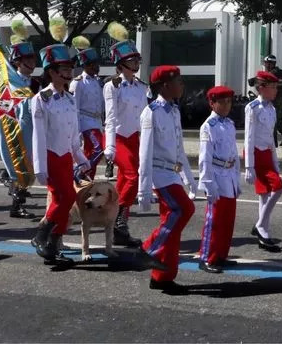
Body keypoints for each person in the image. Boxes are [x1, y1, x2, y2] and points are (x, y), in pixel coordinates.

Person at [138, 65, 197, 295]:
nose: (181, 85)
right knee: (183, 209)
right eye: (178, 81)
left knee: (173, 225)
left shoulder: (174, 111)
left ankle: (162, 276)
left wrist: (189, 179)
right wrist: (143, 190)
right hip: (159, 175)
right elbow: (144, 153)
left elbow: (180, 149)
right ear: (164, 86)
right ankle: (148, 248)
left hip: (172, 173)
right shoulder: (151, 112)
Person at [30, 44, 91, 264]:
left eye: (70, 68)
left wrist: (80, 157)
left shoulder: (70, 99)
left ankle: (51, 244)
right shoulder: (41, 99)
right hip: (50, 156)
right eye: (64, 68)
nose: (69, 72)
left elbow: (73, 135)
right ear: (52, 72)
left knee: (67, 199)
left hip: (65, 156)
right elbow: (38, 136)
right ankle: (41, 235)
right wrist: (40, 166)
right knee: (64, 197)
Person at [0, 25, 41, 218]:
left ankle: (18, 199)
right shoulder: (9, 82)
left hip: (30, 128)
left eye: (33, 58)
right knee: (19, 164)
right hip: (14, 128)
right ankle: (16, 205)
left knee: (29, 163)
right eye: (28, 58)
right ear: (18, 62)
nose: (32, 61)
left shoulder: (33, 83)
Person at [103, 22, 147, 246]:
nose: (137, 62)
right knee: (131, 175)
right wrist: (109, 146)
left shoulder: (141, 87)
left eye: (137, 59)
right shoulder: (113, 86)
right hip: (119, 138)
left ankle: (117, 227)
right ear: (121, 63)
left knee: (124, 182)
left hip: (136, 138)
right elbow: (110, 118)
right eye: (132, 59)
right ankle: (119, 219)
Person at [197, 85, 241, 273]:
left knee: (227, 220)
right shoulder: (209, 126)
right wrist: (207, 183)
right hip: (216, 174)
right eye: (221, 102)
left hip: (229, 175)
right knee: (214, 220)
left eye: (229, 102)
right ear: (212, 103)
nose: (226, 105)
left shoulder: (229, 124)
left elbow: (234, 153)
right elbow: (205, 157)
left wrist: (236, 180)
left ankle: (221, 255)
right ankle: (207, 256)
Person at [244, 70, 282, 252]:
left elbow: (270, 138)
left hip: (267, 154)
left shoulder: (272, 109)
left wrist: (275, 160)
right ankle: (261, 226)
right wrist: (248, 166)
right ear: (262, 88)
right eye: (273, 87)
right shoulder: (252, 108)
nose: (276, 91)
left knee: (266, 193)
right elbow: (248, 137)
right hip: (255, 153)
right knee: (278, 187)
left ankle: (263, 230)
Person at [69, 36, 104, 180]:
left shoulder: (97, 81)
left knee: (93, 151)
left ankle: (88, 179)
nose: (97, 67)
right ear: (87, 66)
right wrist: (76, 131)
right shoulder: (77, 83)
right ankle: (80, 172)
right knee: (98, 149)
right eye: (94, 64)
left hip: (97, 122)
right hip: (85, 122)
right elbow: (74, 108)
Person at [263, 55, 282, 145]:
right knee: (276, 119)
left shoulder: (278, 72)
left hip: (277, 99)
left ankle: (274, 143)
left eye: (267, 63)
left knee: (272, 119)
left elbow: (269, 82)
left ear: (272, 64)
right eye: (265, 63)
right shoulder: (272, 72)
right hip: (274, 98)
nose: (266, 65)